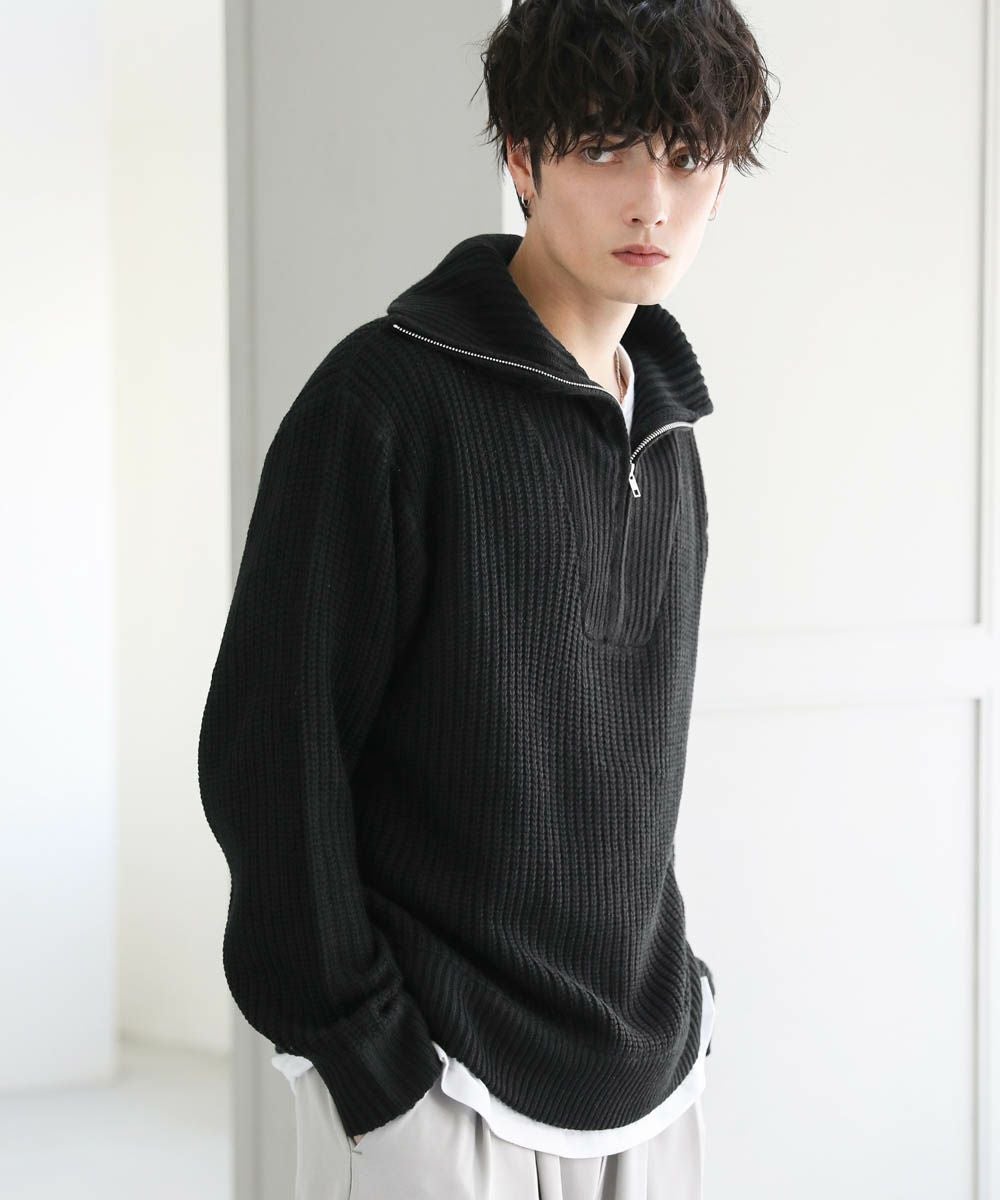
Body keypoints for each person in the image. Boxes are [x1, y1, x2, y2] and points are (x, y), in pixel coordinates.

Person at [198, 1, 775, 1196]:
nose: (652, 201)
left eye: (686, 157)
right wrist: (372, 1066)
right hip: (443, 1089)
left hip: (650, 1079)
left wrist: (688, 1004)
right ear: (521, 156)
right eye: (604, 147)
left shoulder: (667, 430)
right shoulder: (382, 404)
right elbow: (270, 753)